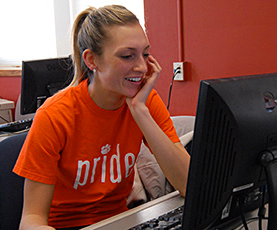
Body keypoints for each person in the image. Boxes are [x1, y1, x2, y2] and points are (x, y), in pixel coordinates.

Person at [13, 5, 190, 230]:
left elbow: (188, 185)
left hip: (121, 221)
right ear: (92, 60)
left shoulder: (144, 102)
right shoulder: (55, 115)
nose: (142, 66)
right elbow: (30, 220)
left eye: (145, 54)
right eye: (127, 56)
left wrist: (140, 113)